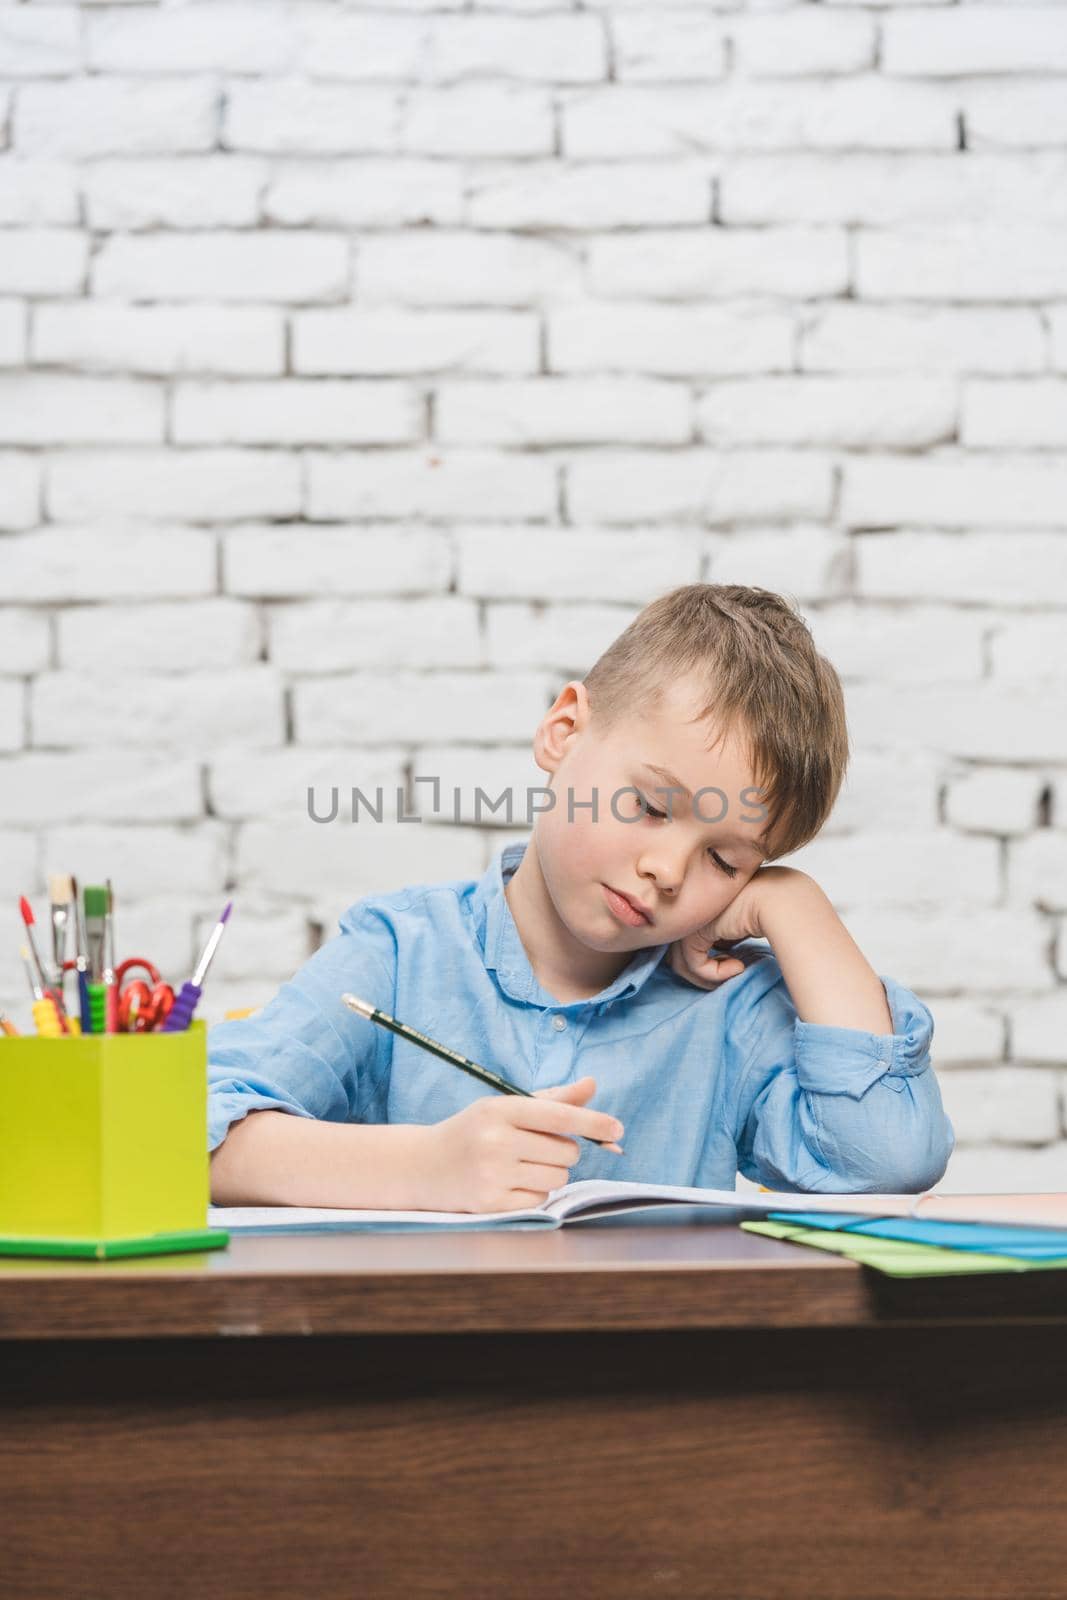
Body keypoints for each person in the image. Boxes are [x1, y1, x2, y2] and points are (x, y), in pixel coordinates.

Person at [207, 583, 954, 1211]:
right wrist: (423, 1169)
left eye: (725, 861)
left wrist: (795, 905)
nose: (667, 870)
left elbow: (886, 1159)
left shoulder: (729, 1010)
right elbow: (178, 1133)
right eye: (653, 807)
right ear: (564, 731)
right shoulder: (402, 954)